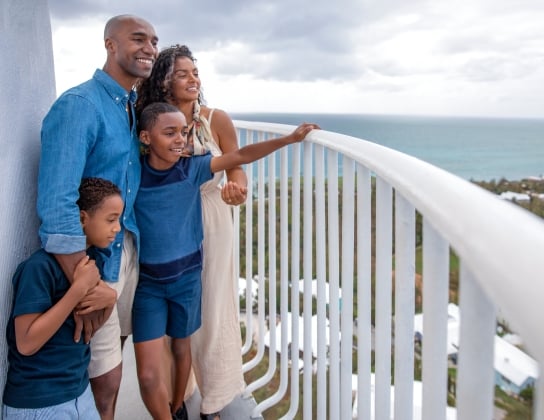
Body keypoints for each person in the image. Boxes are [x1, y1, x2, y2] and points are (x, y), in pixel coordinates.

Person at [132, 102, 319, 420]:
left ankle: (178, 407)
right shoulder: (134, 174)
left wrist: (288, 140)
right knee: (149, 375)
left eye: (184, 132)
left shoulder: (192, 168)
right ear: (146, 138)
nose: (181, 140)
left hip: (187, 280)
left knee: (182, 349)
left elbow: (241, 156)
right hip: (149, 286)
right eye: (170, 133)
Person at [36, 14, 158, 419]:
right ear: (110, 44)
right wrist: (89, 284)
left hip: (124, 250)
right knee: (101, 381)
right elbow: (57, 207)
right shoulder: (80, 106)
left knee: (111, 369)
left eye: (154, 42)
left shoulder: (127, 109)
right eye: (138, 39)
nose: (149, 49)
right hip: (91, 266)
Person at [136, 44, 248, 420]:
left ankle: (213, 401)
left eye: (195, 72)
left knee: (213, 310)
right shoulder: (147, 121)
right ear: (163, 80)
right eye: (182, 73)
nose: (193, 79)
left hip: (212, 219)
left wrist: (238, 189)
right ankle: (178, 398)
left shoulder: (216, 119)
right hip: (167, 226)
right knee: (172, 324)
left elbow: (236, 167)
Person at [3, 178, 123, 419]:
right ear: (82, 219)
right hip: (39, 403)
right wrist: (77, 290)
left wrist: (110, 299)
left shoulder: (91, 263)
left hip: (80, 394)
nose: (117, 228)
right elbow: (26, 343)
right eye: (111, 219)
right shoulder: (39, 268)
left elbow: (90, 329)